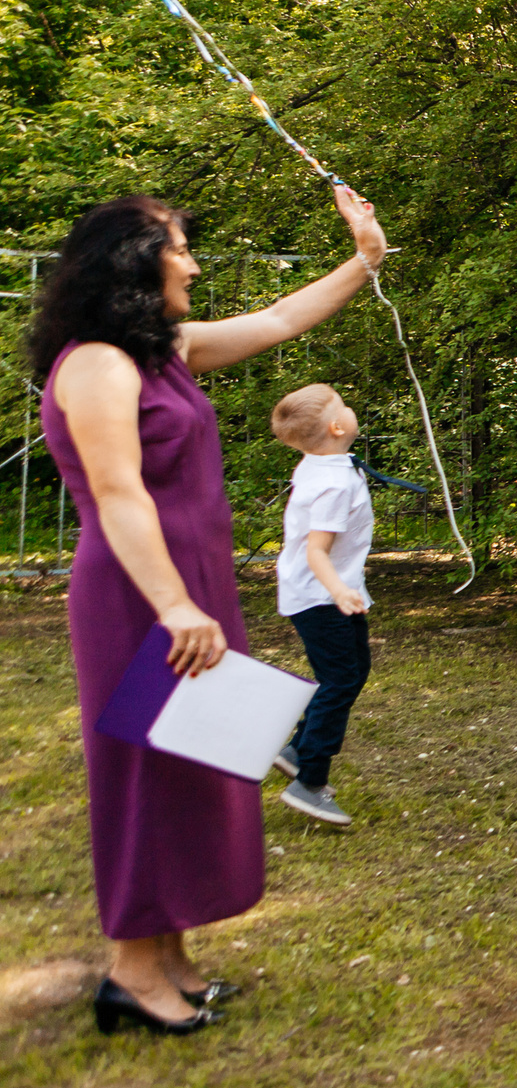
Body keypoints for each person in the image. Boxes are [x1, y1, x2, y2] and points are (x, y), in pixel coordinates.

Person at [36, 185, 389, 1034]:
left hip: (193, 588)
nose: (192, 262)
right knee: (143, 773)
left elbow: (277, 319)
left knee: (194, 766)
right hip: (141, 595)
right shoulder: (96, 364)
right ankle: (131, 975)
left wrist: (366, 258)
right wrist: (171, 605)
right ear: (132, 261)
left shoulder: (165, 349)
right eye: (178, 248)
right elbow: (118, 496)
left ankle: (172, 960)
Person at [266, 383, 378, 828]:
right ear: (337, 426)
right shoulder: (332, 482)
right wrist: (339, 592)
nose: (351, 410)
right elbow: (317, 551)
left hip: (322, 590)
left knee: (351, 672)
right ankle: (309, 781)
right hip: (320, 595)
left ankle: (295, 750)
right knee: (339, 680)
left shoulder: (324, 463)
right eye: (343, 407)